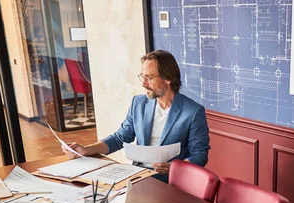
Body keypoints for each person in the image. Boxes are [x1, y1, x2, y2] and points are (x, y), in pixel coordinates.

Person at [61, 50, 210, 182]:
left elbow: (199, 155)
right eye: (142, 77)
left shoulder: (193, 112)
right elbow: (120, 137)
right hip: (138, 176)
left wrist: (173, 168)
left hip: (170, 182)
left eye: (150, 78)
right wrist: (86, 150)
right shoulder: (139, 103)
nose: (144, 84)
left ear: (168, 78)